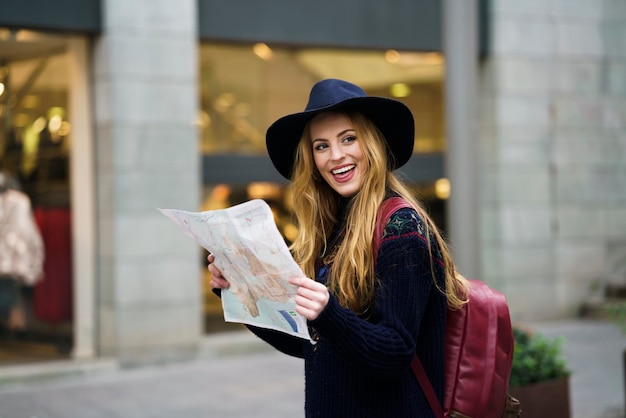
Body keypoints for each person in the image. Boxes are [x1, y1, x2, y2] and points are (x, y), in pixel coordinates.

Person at [208, 78, 469, 417]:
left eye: (349, 138)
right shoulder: (334, 230)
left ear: (372, 144)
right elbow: (313, 344)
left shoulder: (401, 229)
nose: (336, 156)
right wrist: (241, 290)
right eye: (321, 146)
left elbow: (395, 352)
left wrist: (329, 313)